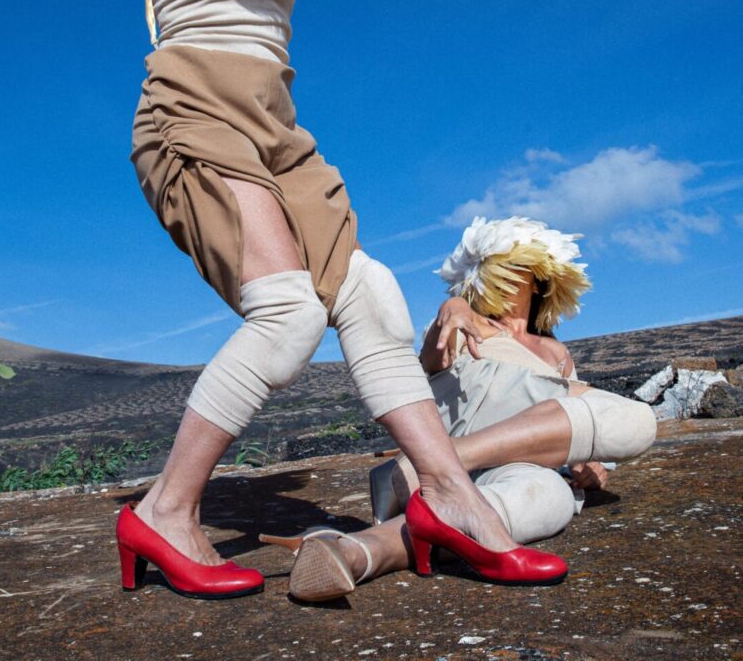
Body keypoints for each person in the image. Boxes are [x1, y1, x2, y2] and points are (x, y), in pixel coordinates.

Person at [0, 0, 567, 601]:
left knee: (370, 297)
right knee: (287, 315)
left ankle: (449, 497)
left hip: (278, 126)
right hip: (191, 112)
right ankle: (165, 513)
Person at [266, 217, 656, 602]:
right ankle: (439, 462)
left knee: (552, 498)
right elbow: (429, 361)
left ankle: (355, 553)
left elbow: (575, 422)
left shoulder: (557, 354)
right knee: (636, 419)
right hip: (452, 461)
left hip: (516, 466)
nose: (512, 278)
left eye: (523, 269)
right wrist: (449, 312)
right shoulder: (464, 323)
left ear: (541, 279)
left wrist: (588, 465)